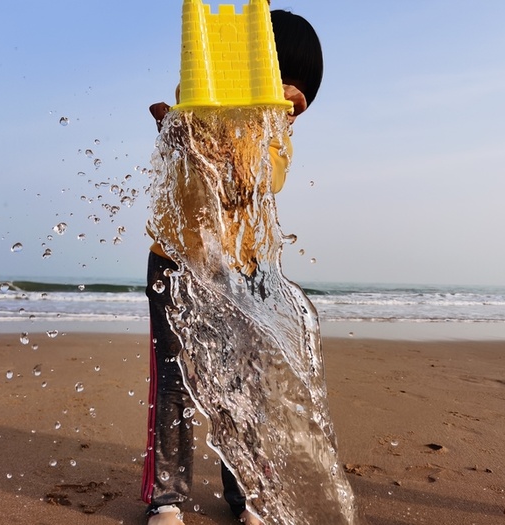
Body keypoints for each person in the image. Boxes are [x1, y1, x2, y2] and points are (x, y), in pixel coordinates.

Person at [141, 8, 323, 525]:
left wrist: (276, 118)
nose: (293, 96)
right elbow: (190, 158)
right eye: (286, 79)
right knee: (176, 381)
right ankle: (167, 498)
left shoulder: (277, 131)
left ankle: (246, 496)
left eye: (299, 89)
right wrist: (175, 126)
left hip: (246, 268)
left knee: (243, 384)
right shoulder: (199, 90)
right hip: (176, 262)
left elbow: (259, 183)